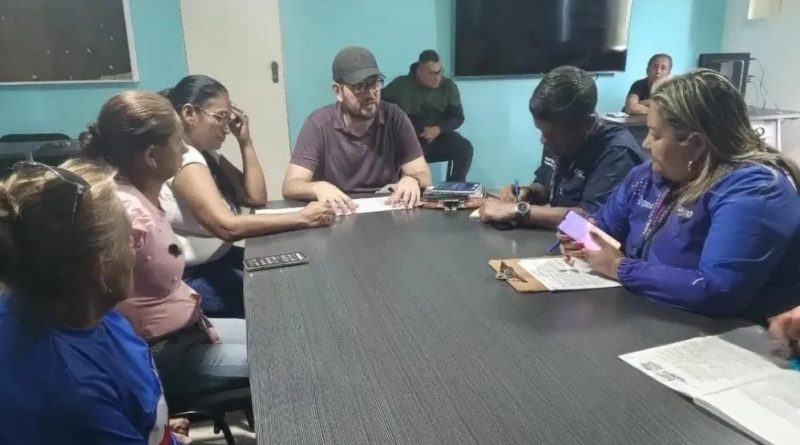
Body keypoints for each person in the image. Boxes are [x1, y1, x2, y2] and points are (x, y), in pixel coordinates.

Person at [561, 69, 800, 320]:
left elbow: (717, 290)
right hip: (652, 315)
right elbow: (602, 228)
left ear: (696, 144)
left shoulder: (757, 190)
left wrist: (617, 267)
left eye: (656, 135)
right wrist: (579, 235)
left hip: (738, 334)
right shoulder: (648, 175)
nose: (645, 144)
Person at [0, 160, 189, 444]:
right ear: (102, 268)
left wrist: (154, 428)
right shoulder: (73, 394)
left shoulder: (88, 310)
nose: (135, 250)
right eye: (129, 240)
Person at [80, 91, 250, 402]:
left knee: (282, 340)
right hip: (167, 354)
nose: (185, 149)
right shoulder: (129, 214)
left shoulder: (145, 197)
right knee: (285, 363)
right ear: (151, 156)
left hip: (190, 331)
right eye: (177, 142)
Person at [161, 75, 334, 318]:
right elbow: (227, 227)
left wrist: (245, 141)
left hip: (220, 259)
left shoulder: (205, 154)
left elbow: (255, 197)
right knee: (282, 297)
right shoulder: (184, 159)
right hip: (193, 275)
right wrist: (302, 217)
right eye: (220, 117)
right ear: (189, 113)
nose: (226, 128)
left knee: (293, 273)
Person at [479, 65, 644, 230]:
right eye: (541, 131)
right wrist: (528, 192)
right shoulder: (556, 137)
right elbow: (545, 184)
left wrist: (519, 211)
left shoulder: (618, 152)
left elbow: (591, 219)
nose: (543, 140)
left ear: (588, 123)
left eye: (552, 134)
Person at [282, 46, 433, 213]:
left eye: (374, 83)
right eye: (359, 86)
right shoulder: (318, 124)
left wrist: (412, 180)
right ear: (338, 91)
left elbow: (422, 173)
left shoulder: (395, 118)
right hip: (338, 211)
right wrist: (318, 187)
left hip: (387, 209)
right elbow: (291, 185)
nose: (370, 94)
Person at [382, 49, 473, 182]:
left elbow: (458, 117)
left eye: (439, 72)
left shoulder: (448, 87)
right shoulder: (401, 85)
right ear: (419, 71)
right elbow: (379, 104)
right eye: (432, 73)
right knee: (399, 154)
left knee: (465, 148)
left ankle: (454, 188)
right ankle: (409, 189)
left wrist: (439, 129)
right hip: (412, 139)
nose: (437, 77)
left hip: (439, 136)